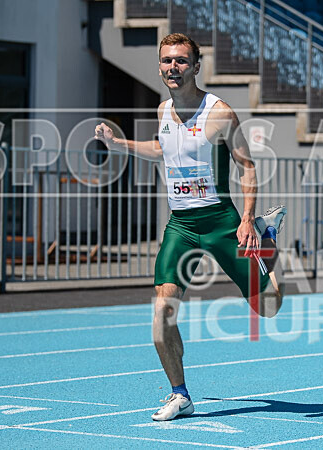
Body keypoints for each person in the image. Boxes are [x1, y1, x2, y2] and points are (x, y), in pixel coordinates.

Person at [95, 33, 287, 421]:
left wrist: (247, 218)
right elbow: (162, 149)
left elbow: (246, 165)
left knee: (269, 307)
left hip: (221, 222)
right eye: (167, 60)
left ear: (196, 67)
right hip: (181, 225)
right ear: (160, 66)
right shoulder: (163, 110)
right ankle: (180, 394)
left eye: (181, 60)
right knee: (161, 315)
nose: (173, 67)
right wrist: (119, 145)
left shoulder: (220, 113)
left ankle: (266, 237)